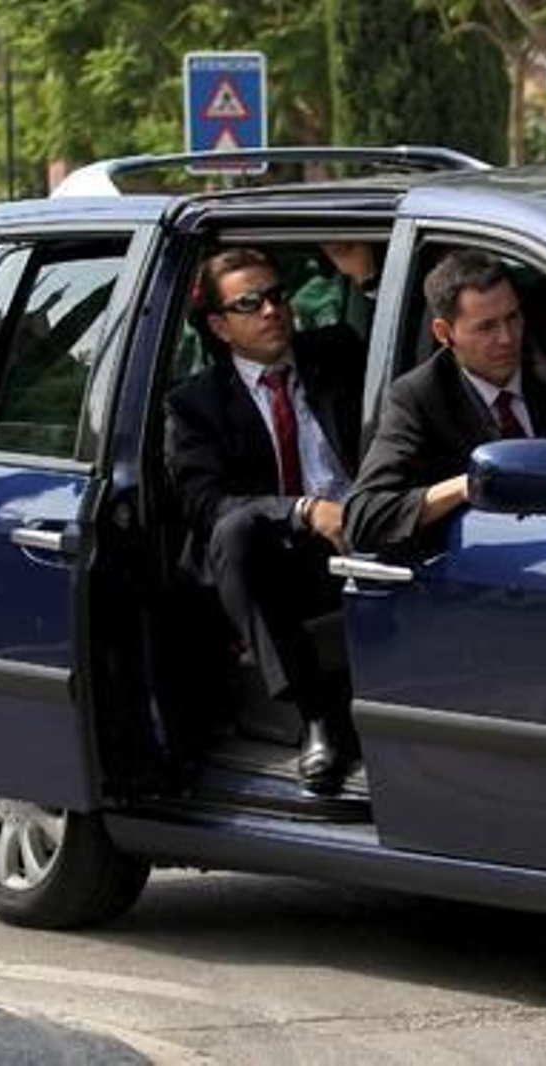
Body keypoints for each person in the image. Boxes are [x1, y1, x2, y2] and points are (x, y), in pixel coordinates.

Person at [165, 246, 366, 795]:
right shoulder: (195, 405)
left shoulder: (336, 353)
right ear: (220, 326)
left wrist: (364, 275)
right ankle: (315, 717)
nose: (271, 311)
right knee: (232, 534)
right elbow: (206, 505)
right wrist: (302, 511)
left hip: (366, 531)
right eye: (249, 303)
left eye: (277, 296)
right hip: (281, 556)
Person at [344, 249, 546, 555]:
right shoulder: (420, 398)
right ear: (444, 332)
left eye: (513, 317)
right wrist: (467, 486)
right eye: (486, 327)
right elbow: (364, 517)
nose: (507, 338)